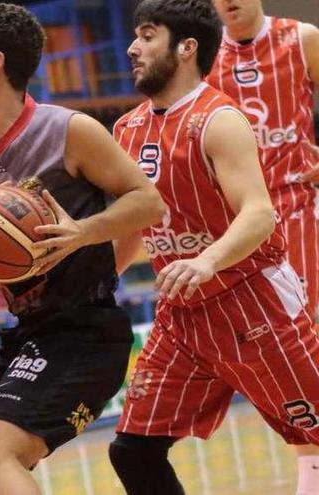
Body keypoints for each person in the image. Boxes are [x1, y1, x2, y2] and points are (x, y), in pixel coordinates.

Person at [0, 4, 165, 494]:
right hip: (26, 330)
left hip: (86, 333)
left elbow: (149, 203)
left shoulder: (70, 130)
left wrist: (84, 233)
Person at [110, 2, 319, 494]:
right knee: (132, 449)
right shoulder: (126, 130)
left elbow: (259, 213)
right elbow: (132, 227)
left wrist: (205, 260)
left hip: (254, 304)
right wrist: (96, 281)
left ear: (186, 48)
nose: (132, 48)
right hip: (182, 316)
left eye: (146, 36)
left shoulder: (219, 119)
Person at [207, 2, 319, 491]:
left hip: (299, 205)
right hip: (242, 224)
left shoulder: (303, 38)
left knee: (307, 338)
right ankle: (309, 467)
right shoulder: (207, 55)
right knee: (285, 354)